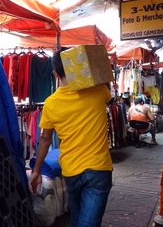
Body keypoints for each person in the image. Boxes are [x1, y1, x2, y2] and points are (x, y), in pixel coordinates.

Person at [29, 48, 113, 227]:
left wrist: (36, 170)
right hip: (99, 169)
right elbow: (108, 88)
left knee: (77, 219)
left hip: (70, 171)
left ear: (55, 74)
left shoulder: (51, 103)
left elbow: (44, 139)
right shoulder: (97, 91)